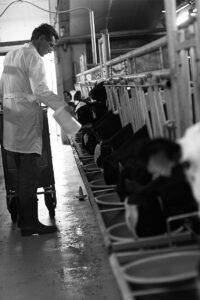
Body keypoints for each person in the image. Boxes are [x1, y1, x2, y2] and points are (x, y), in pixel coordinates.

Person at [0, 23, 69, 236]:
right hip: (26, 120)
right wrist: (64, 109)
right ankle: (30, 223)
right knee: (29, 173)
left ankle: (23, 219)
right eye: (50, 44)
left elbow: (3, 86)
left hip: (11, 120)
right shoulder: (34, 58)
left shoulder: (12, 55)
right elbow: (41, 91)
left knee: (20, 172)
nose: (50, 49)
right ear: (39, 38)